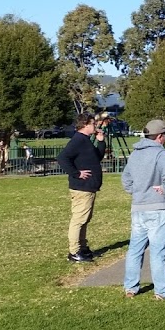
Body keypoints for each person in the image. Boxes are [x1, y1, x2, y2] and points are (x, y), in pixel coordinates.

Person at [122, 119, 165, 300]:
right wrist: (164, 189)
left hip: (138, 208)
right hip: (158, 208)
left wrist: (137, 191)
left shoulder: (135, 153)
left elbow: (125, 179)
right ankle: (163, 291)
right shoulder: (160, 153)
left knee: (135, 249)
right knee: (159, 251)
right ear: (159, 137)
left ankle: (130, 288)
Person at [57, 113, 106, 263]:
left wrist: (101, 142)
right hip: (81, 188)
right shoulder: (78, 140)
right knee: (79, 219)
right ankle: (74, 251)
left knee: (85, 218)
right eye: (93, 124)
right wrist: (76, 173)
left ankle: (82, 247)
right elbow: (62, 158)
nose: (95, 126)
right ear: (85, 125)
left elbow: (96, 158)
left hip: (89, 187)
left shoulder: (86, 140)